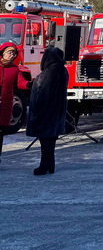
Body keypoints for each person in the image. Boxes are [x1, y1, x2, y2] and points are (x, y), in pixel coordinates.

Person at [26, 47, 68, 176]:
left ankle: (44, 165)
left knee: (45, 142)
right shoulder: (62, 70)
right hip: (56, 113)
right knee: (51, 141)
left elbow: (43, 92)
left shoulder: (50, 71)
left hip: (45, 113)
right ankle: (50, 164)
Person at [0, 42, 34, 165]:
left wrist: (30, 84)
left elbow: (21, 83)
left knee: (0, 133)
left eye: (14, 53)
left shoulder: (15, 69)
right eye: (9, 52)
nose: (12, 55)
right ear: (2, 53)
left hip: (5, 105)